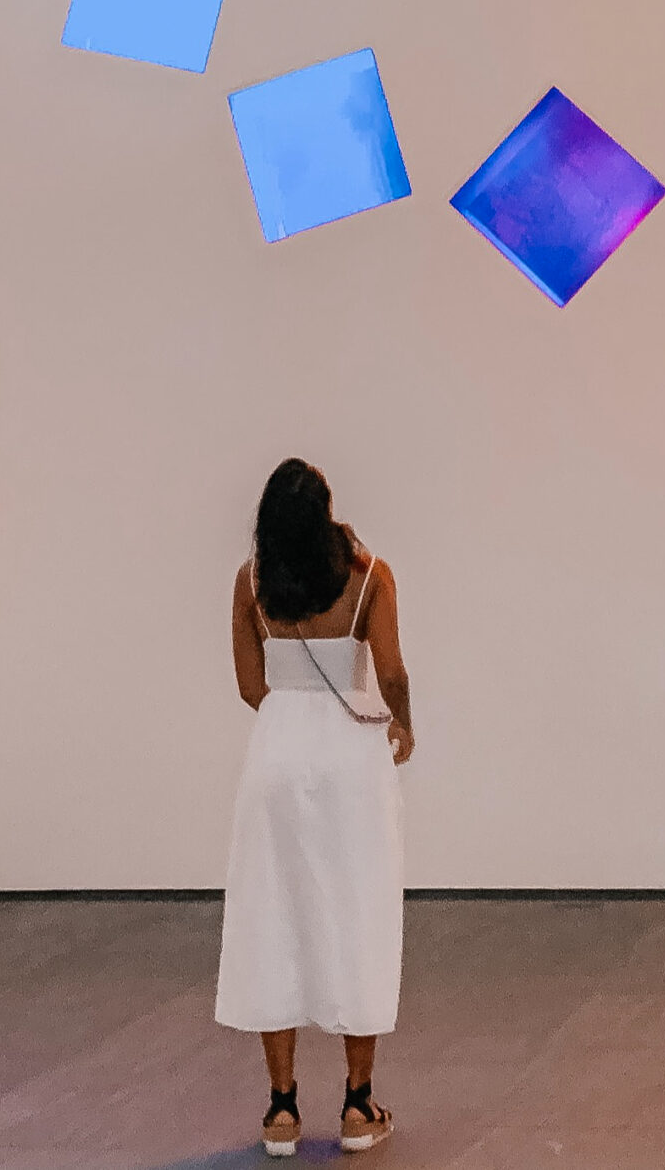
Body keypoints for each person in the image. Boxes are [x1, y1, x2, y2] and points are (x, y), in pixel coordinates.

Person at [217, 458, 414, 1156]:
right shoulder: (370, 575)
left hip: (276, 753)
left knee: (276, 914)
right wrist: (404, 724)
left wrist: (292, 720)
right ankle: (359, 1104)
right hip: (351, 761)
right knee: (358, 913)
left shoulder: (251, 581)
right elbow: (389, 670)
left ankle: (281, 1109)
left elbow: (250, 684)